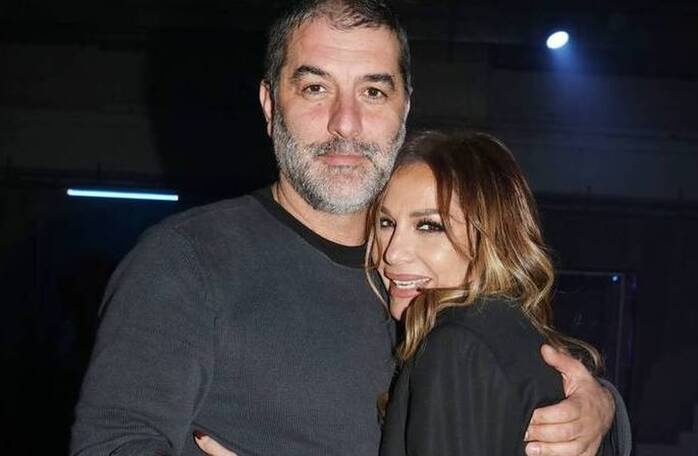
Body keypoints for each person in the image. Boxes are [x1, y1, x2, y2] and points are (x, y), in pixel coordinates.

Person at [71, 1, 630, 455]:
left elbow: (519, 375)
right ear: (270, 105)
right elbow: (113, 444)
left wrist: (601, 412)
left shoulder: (436, 268)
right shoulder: (186, 261)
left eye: (373, 91)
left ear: (404, 109)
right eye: (315, 88)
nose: (345, 123)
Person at [366, 130, 613, 455]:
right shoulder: (510, 334)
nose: (393, 253)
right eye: (385, 223)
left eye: (429, 226)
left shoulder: (456, 346)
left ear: (492, 238)